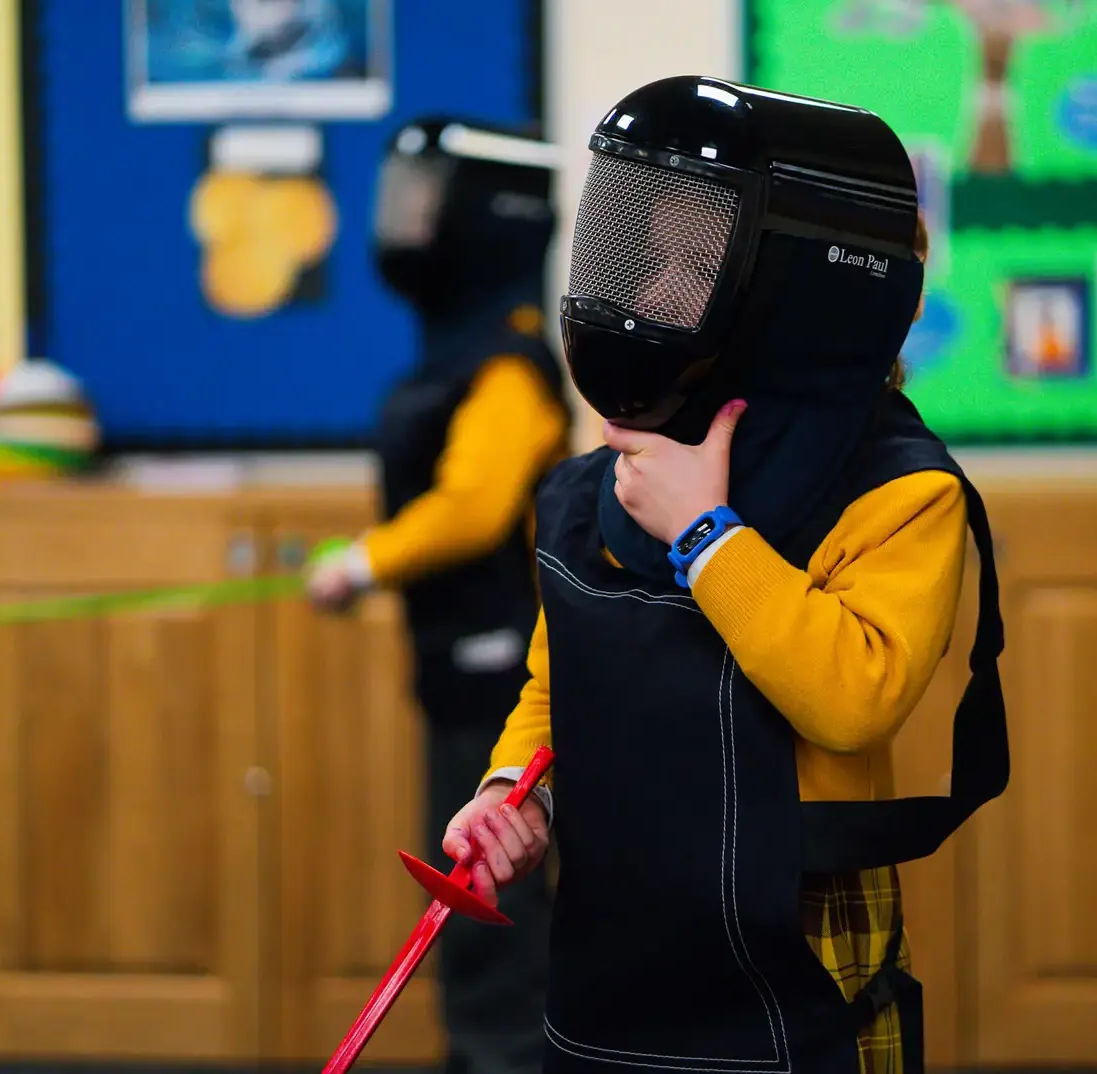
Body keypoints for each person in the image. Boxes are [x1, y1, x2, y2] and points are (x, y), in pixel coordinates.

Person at [438, 77, 1010, 1074]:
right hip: (618, 949)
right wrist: (514, 794)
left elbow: (852, 696)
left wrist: (708, 537)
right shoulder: (605, 482)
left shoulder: (897, 494)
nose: (655, 291)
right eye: (648, 256)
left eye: (696, 263)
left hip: (795, 954)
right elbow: (558, 679)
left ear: (811, 291)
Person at [306, 116, 572, 1074]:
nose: (406, 225)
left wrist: (362, 563)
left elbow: (473, 505)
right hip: (455, 661)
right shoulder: (453, 353)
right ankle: (483, 1048)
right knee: (465, 882)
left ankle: (506, 1055)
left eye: (428, 203)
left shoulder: (509, 364)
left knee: (489, 886)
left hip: (506, 663)